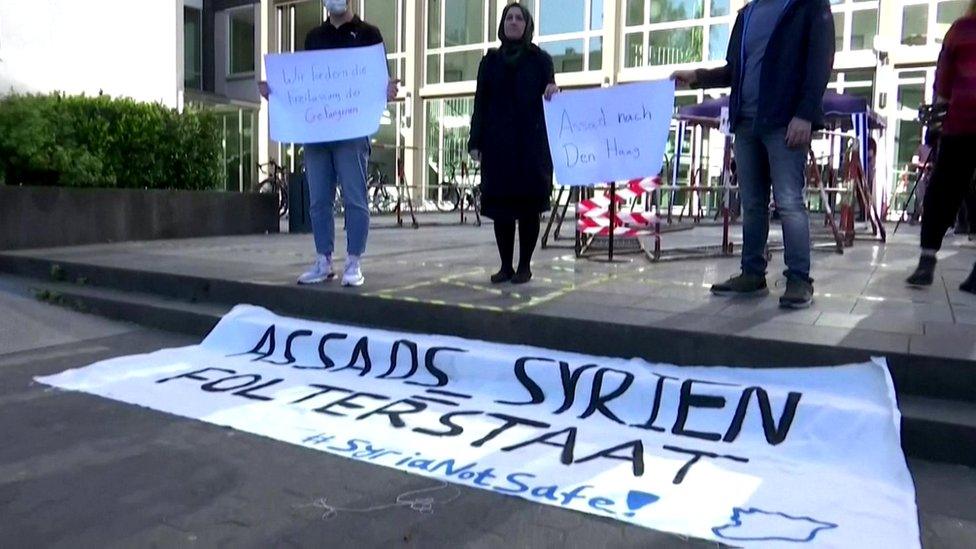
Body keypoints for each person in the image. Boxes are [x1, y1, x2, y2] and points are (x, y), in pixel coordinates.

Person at [673, 0, 835, 309]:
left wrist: (805, 113)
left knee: (789, 203)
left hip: (784, 122)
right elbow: (734, 71)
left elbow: (820, 62)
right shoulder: (746, 15)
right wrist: (697, 75)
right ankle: (752, 274)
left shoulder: (808, 6)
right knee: (752, 204)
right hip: (745, 123)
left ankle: (799, 280)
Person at [258, 0, 398, 287]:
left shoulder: (369, 34)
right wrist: (276, 91)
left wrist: (388, 89)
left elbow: (379, 80)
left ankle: (354, 261)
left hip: (352, 130)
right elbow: (302, 83)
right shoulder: (313, 37)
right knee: (319, 199)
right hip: (317, 131)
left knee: (354, 197)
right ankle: (324, 260)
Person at [468, 3, 559, 285]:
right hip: (498, 147)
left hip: (531, 147)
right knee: (501, 209)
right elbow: (480, 103)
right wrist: (475, 140)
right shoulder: (490, 62)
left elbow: (551, 91)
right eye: (509, 17)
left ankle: (524, 266)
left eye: (520, 18)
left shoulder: (540, 59)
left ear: (527, 25)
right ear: (502, 24)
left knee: (529, 208)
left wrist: (553, 90)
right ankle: (505, 266)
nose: (514, 22)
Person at [906, 0, 976, 294]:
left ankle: (927, 260)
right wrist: (936, 127)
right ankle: (927, 259)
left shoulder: (960, 30)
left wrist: (935, 127)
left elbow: (943, 82)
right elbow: (943, 80)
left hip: (958, 125)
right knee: (942, 192)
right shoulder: (961, 31)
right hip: (959, 125)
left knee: (942, 191)